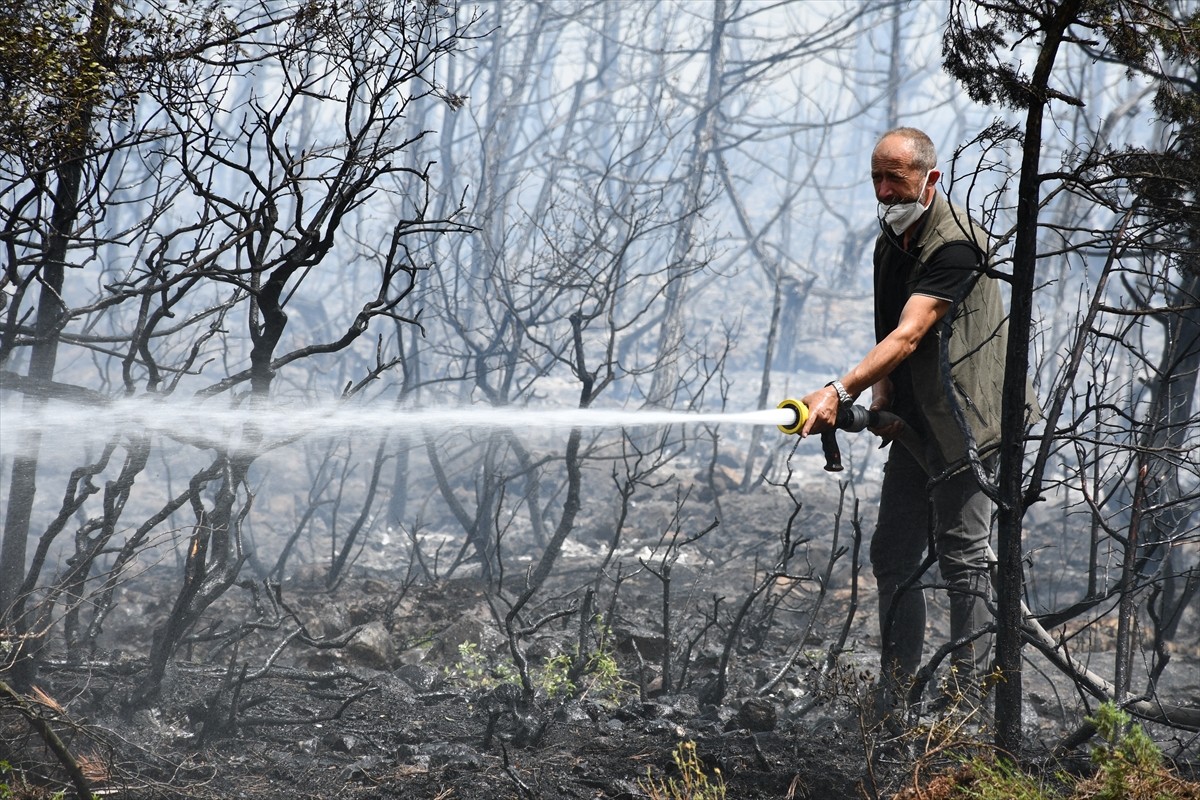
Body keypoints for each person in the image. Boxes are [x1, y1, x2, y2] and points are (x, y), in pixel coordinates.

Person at [798, 127, 1014, 714]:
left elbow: (912, 329)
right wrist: (879, 395)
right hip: (914, 423)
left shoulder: (955, 245)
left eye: (897, 177)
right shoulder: (890, 242)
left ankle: (970, 708)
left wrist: (840, 390)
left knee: (964, 560)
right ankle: (895, 699)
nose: (886, 190)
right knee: (894, 554)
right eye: (877, 177)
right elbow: (889, 331)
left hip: (967, 425)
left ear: (931, 178)